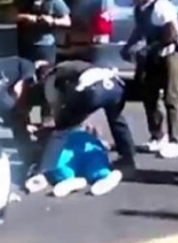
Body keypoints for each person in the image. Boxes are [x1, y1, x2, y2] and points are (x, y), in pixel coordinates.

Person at [25, 60, 137, 192]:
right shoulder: (72, 66)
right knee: (116, 120)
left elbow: (56, 104)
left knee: (60, 133)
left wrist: (53, 124)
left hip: (92, 89)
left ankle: (42, 171)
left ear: (42, 76)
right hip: (115, 86)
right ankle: (128, 158)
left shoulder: (52, 77)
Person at [119, 0, 178, 159]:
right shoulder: (139, 9)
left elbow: (171, 33)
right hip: (154, 55)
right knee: (148, 92)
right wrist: (128, 48)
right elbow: (139, 30)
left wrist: (149, 48)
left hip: (172, 54)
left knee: (170, 97)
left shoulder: (161, 6)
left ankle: (177, 141)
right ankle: (158, 135)